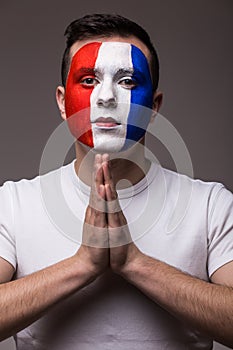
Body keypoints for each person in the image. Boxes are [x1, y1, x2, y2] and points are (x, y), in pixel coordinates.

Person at [0, 13, 233, 350]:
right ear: (64, 103)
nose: (106, 97)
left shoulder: (212, 205)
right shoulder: (12, 203)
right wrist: (81, 265)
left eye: (127, 80)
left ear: (153, 107)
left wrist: (135, 264)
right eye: (90, 80)